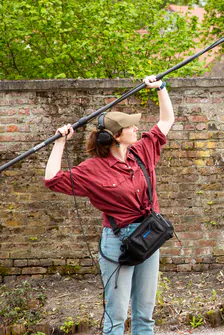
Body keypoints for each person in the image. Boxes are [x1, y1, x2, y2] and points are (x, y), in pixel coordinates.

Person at [43, 75, 174, 335]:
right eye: (130, 127)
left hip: (150, 235)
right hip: (118, 240)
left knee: (145, 314)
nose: (137, 129)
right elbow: (52, 180)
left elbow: (167, 121)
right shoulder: (93, 169)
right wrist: (60, 142)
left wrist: (160, 88)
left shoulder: (142, 152)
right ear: (116, 137)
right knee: (115, 316)